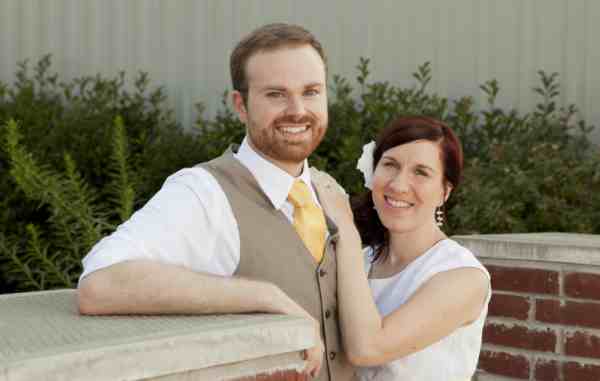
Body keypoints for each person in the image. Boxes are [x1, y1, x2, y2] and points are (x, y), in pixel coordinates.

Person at [77, 23, 355, 381]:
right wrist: (265, 295)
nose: (297, 110)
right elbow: (100, 285)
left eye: (311, 92)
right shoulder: (203, 193)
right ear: (240, 105)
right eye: (276, 94)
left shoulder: (327, 193)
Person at [311, 116, 490, 381]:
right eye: (390, 165)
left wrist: (346, 230)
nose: (398, 184)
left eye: (421, 172)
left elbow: (368, 349)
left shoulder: (463, 277)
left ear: (445, 192)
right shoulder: (360, 261)